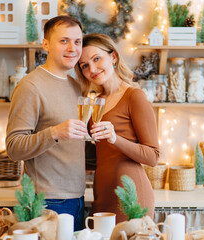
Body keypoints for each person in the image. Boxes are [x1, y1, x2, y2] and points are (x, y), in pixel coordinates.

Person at [6, 16, 88, 231]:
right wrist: (54, 132)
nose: (72, 48)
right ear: (46, 45)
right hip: (46, 202)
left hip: (78, 198)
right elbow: (13, 147)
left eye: (78, 41)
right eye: (64, 41)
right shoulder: (30, 86)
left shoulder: (75, 85)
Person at [75, 33, 160, 223]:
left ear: (113, 57)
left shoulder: (134, 96)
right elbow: (100, 153)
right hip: (103, 192)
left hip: (131, 195)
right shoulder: (94, 102)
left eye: (97, 59)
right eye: (84, 65)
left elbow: (153, 156)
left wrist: (115, 138)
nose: (92, 69)